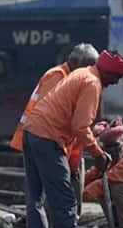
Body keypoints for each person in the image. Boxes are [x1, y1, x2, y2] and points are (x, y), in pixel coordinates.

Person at [22, 50, 123, 228]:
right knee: (64, 203)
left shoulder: (82, 73)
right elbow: (80, 126)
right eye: (117, 77)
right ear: (109, 71)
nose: (116, 82)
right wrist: (98, 154)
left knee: (35, 199)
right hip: (48, 138)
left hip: (32, 132)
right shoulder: (92, 83)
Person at [10, 43, 99, 171]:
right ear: (74, 61)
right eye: (88, 66)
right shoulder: (57, 76)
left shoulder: (72, 79)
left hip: (41, 137)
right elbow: (47, 113)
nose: (89, 71)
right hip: (41, 137)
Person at [83, 120, 123, 228]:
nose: (113, 150)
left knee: (117, 187)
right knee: (102, 187)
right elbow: (92, 175)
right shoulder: (111, 161)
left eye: (116, 145)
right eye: (108, 147)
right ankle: (118, 225)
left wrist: (81, 195)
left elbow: (106, 181)